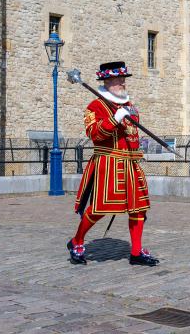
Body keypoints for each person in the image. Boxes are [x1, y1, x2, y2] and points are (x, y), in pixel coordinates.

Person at [68, 61, 158, 266]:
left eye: (123, 80)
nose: (122, 84)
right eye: (118, 80)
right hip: (108, 161)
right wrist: (114, 120)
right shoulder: (95, 106)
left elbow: (133, 135)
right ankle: (77, 240)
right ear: (107, 81)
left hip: (131, 163)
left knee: (139, 208)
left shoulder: (129, 106)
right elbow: (94, 134)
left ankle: (136, 252)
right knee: (100, 208)